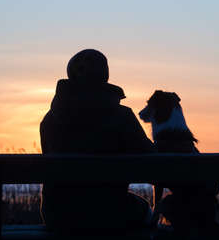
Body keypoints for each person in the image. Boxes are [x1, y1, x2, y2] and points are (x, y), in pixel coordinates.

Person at [40, 49, 155, 234]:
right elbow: (155, 164)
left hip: (58, 216)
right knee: (143, 210)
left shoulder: (49, 120)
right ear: (105, 75)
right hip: (111, 213)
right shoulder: (122, 117)